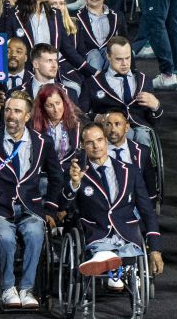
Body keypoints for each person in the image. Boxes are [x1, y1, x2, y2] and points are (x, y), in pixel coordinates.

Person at [0, 92, 61, 310]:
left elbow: (57, 176)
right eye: (8, 110)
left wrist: (50, 208)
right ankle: (8, 288)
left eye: (18, 111)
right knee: (5, 238)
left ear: (28, 116)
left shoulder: (43, 142)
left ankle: (27, 289)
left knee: (35, 232)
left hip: (30, 206)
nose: (11, 115)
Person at [64, 121, 165, 283]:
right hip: (95, 233)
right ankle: (113, 266)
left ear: (106, 141)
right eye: (90, 143)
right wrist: (74, 184)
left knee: (127, 253)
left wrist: (155, 249)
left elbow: (147, 211)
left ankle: (113, 266)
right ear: (83, 146)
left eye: (99, 140)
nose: (96, 146)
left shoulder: (130, 171)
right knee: (103, 251)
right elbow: (64, 207)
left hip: (127, 234)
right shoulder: (77, 172)